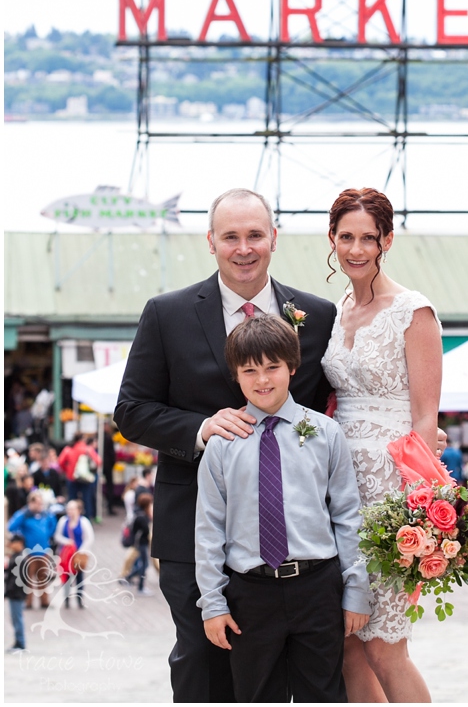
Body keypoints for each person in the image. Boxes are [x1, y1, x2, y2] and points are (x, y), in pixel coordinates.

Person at [114, 187, 447, 703]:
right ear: (211, 242)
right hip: (194, 525)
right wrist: (204, 429)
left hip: (302, 541)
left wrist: (416, 435)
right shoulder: (166, 313)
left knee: (328, 664)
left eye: (254, 235)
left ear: (274, 238)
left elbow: (338, 399)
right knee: (203, 662)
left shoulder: (317, 316)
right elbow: (131, 411)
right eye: (231, 237)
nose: (243, 248)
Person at [197, 315, 371, 702]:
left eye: (273, 367)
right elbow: (209, 528)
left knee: (323, 694)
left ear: (292, 367)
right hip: (250, 594)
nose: (262, 380)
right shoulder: (223, 444)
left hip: (317, 587)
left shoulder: (325, 433)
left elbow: (347, 515)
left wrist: (356, 589)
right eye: (250, 370)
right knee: (257, 695)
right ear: (235, 377)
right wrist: (212, 603)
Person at [321, 187, 442, 704]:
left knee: (386, 647)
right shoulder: (335, 310)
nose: (355, 248)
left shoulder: (414, 312)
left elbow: (424, 419)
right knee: (348, 643)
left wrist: (420, 512)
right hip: (333, 488)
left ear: (386, 240)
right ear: (332, 238)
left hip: (389, 492)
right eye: (346, 237)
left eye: (367, 238)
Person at [7, 490, 58, 609]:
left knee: (43, 578)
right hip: (29, 553)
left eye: (41, 503)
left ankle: (44, 601)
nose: (40, 506)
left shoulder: (46, 514)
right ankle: (28, 602)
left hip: (44, 551)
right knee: (28, 578)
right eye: (37, 503)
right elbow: (11, 526)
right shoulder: (25, 515)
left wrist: (47, 536)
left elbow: (53, 525)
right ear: (31, 503)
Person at [54, 499, 95, 608]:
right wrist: (66, 541)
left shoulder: (84, 522)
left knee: (79, 577)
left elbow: (89, 538)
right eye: (68, 509)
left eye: (72, 509)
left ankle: (79, 598)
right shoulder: (63, 521)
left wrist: (80, 550)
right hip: (66, 555)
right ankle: (66, 598)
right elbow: (57, 536)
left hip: (78, 555)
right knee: (66, 576)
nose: (70, 511)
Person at [57, 433, 101, 520]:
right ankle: (87, 519)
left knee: (72, 499)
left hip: (71, 478)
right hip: (86, 479)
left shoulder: (68, 449)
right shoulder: (88, 449)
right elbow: (98, 461)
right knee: (87, 500)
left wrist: (68, 470)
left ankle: (71, 519)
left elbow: (60, 462)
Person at [125, 492, 154, 595]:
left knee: (141, 563)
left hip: (139, 543)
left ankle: (129, 577)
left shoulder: (138, 513)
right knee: (144, 564)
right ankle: (140, 586)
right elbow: (146, 530)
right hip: (141, 543)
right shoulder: (142, 517)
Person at [5, 532, 28, 652]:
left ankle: (20, 643)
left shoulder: (20, 558)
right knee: (15, 618)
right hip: (15, 593)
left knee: (17, 618)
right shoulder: (17, 556)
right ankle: (18, 642)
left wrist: (7, 592)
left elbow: (15, 580)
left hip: (17, 594)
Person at [102, 422, 117, 515]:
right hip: (107, 465)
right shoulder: (108, 438)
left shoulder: (101, 438)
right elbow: (112, 453)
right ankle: (110, 507)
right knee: (109, 486)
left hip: (104, 464)